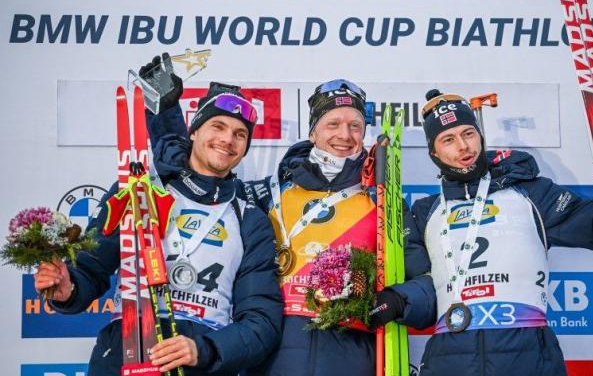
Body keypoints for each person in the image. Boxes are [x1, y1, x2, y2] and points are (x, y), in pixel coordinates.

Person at [146, 71, 432, 376]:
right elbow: (197, 177)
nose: (345, 135)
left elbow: (426, 282)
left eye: (355, 126)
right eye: (332, 124)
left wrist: (399, 300)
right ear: (313, 133)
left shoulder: (383, 201)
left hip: (349, 358)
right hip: (273, 359)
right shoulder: (267, 194)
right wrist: (165, 117)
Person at [369, 89, 593, 376]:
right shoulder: (425, 212)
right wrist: (398, 300)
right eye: (448, 140)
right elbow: (430, 289)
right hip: (449, 358)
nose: (463, 147)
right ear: (434, 152)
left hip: (527, 354)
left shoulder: (530, 193)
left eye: (468, 134)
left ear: (480, 135)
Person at [34, 82, 283, 376]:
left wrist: (203, 348)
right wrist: (69, 288)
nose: (228, 139)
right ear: (194, 131)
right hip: (124, 353)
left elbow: (260, 322)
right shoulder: (138, 190)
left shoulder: (250, 218)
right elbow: (91, 267)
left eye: (240, 134)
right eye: (217, 126)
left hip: (199, 365)